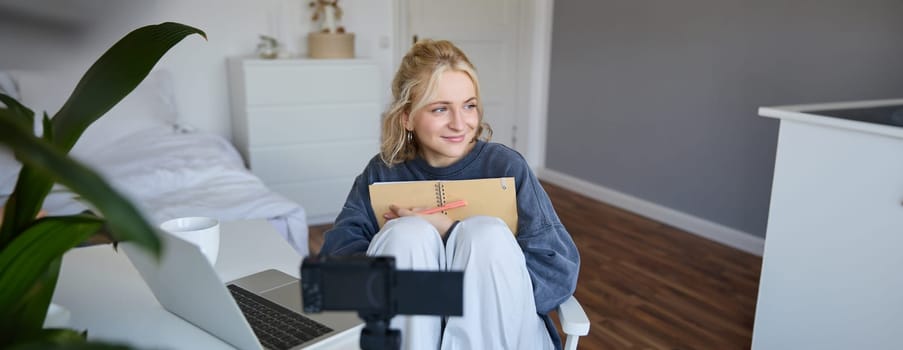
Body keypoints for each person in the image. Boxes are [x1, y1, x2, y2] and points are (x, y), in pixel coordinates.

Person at [319, 39, 580, 350]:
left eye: (469, 105)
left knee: (486, 234)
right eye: (441, 108)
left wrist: (453, 234)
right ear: (407, 117)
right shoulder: (383, 171)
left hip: (503, 331)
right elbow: (336, 267)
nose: (460, 123)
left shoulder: (506, 166)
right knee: (407, 233)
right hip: (412, 329)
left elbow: (558, 273)